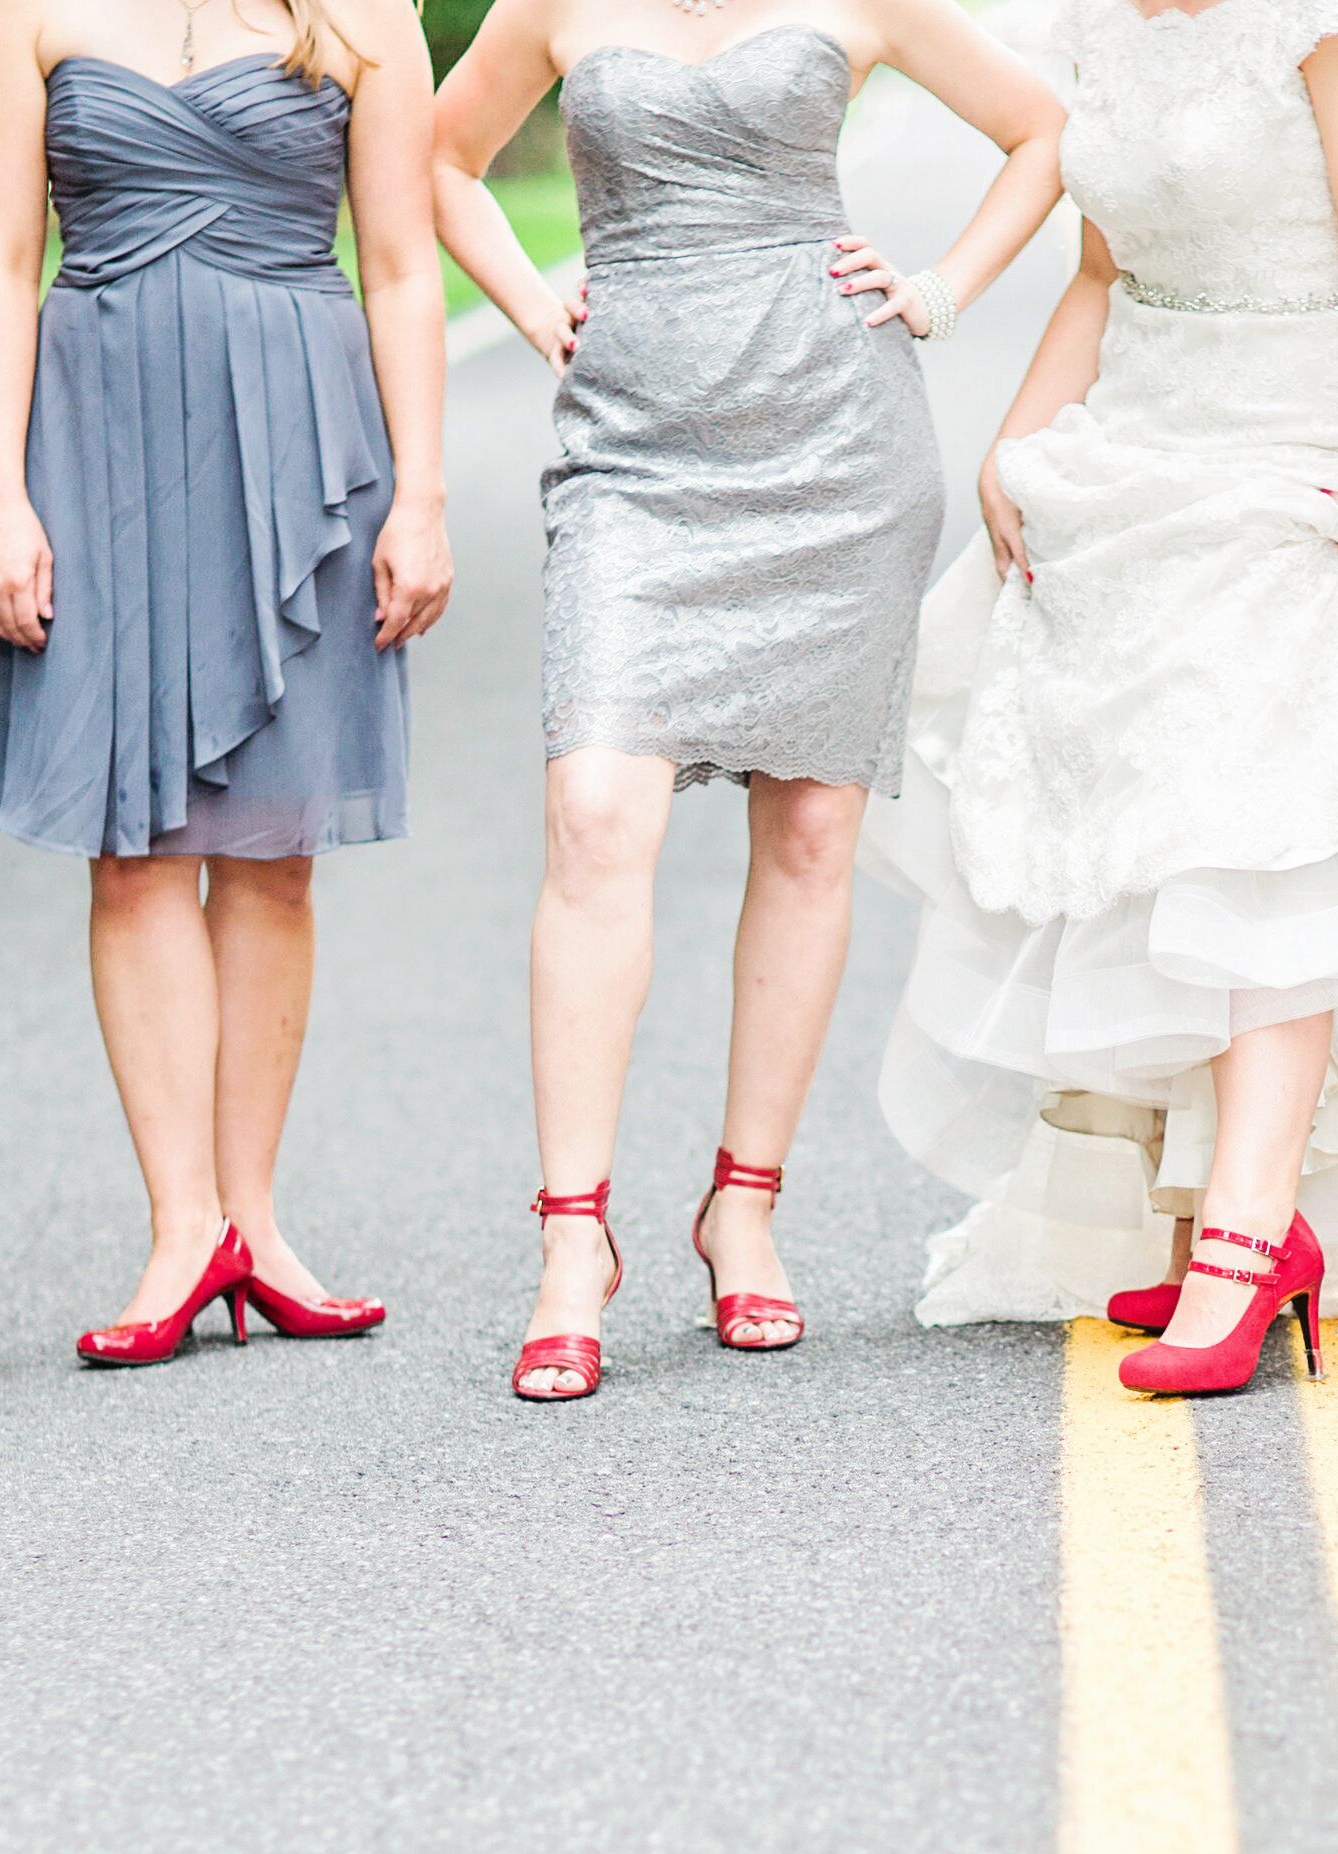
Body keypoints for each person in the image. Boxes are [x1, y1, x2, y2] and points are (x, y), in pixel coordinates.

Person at [875, 0, 1338, 1397]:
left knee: (1267, 830)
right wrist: (1020, 437)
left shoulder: (1328, 14)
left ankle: (1249, 1233)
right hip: (1146, 432)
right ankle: (1216, 1197)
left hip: (1298, 442)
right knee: (1160, 828)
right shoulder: (1100, 21)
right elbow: (1099, 268)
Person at [432, 0, 1066, 1403]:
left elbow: (1043, 132)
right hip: (635, 458)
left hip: (834, 434)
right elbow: (437, 160)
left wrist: (941, 288)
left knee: (809, 836)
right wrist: (536, 301)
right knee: (595, 815)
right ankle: (571, 1242)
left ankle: (743, 1207)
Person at [0, 0, 452, 1366]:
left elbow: (403, 267)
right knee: (132, 851)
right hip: (99, 437)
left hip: (301, 437)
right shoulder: (28, 13)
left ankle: (257, 1224)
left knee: (276, 851)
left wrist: (422, 494)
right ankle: (184, 1230)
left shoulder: (366, 16)